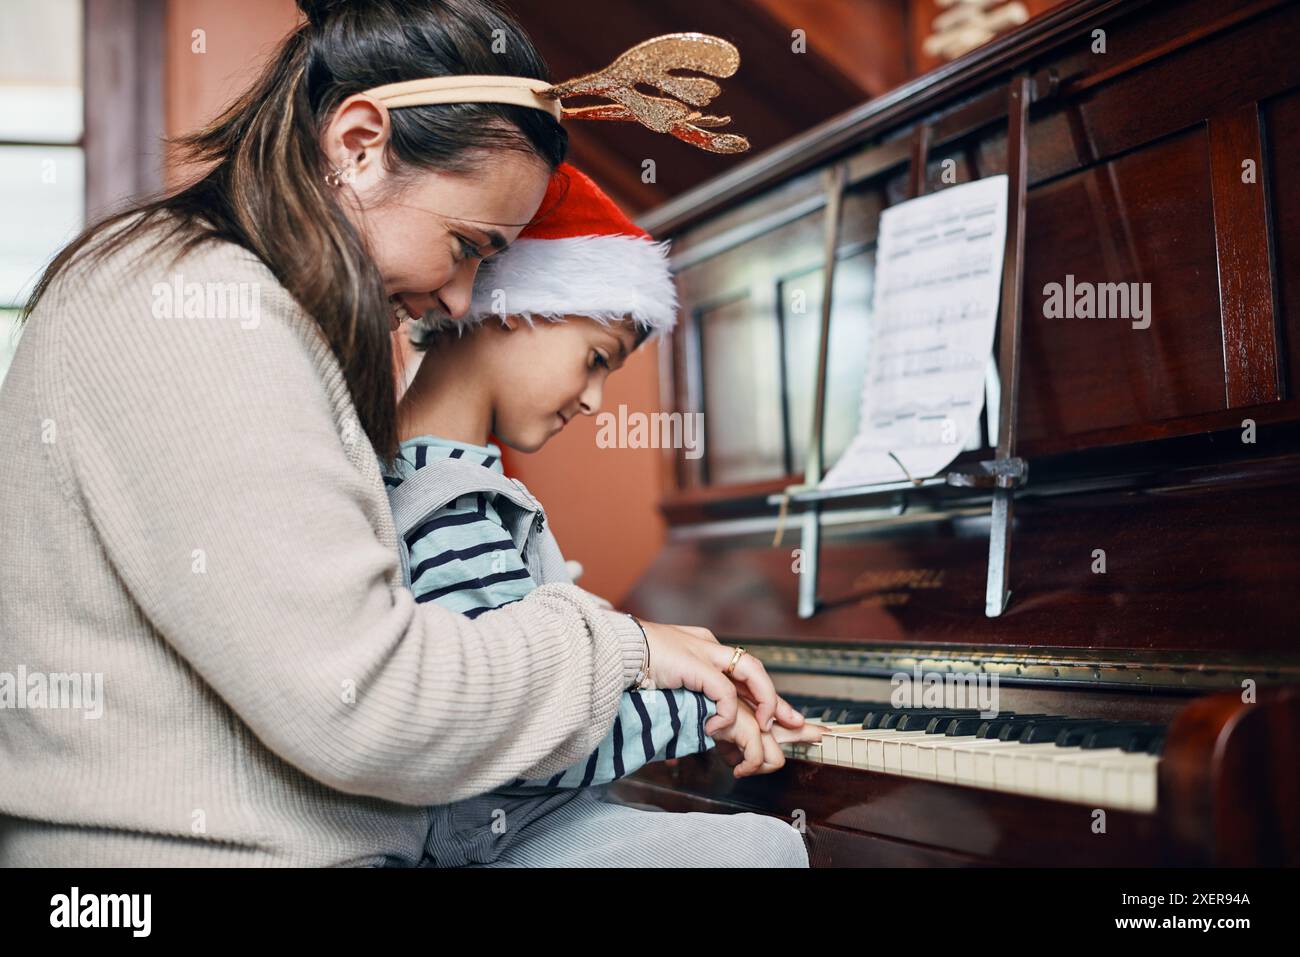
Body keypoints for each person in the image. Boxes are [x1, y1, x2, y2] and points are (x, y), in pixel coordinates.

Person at [0, 0, 807, 867]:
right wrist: (628, 647)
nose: (461, 302)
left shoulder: (232, 297)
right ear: (358, 144)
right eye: (466, 245)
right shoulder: (201, 309)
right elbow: (367, 705)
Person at [385, 163, 823, 865]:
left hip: (516, 824)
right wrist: (702, 715)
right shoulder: (448, 497)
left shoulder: (442, 473)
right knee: (762, 849)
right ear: (509, 307)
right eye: (594, 359)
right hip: (493, 838)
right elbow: (514, 737)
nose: (593, 400)